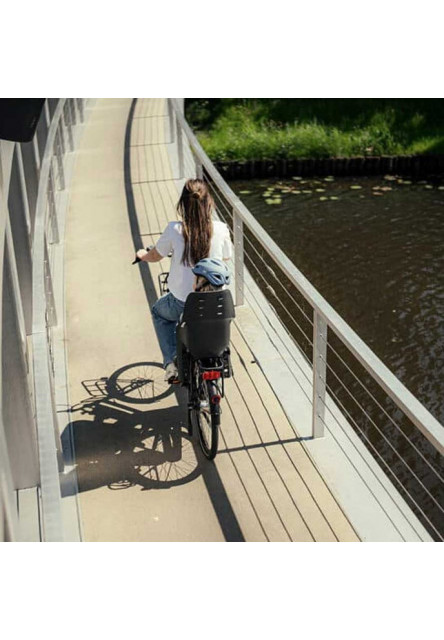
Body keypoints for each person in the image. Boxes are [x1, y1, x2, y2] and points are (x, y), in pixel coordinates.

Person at [136, 179, 232, 383]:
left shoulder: (174, 230)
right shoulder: (222, 229)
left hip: (183, 302)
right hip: (217, 301)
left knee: (159, 313)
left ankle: (171, 363)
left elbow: (155, 256)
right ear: (209, 203)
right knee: (212, 320)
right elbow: (225, 259)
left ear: (183, 204)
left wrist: (142, 254)